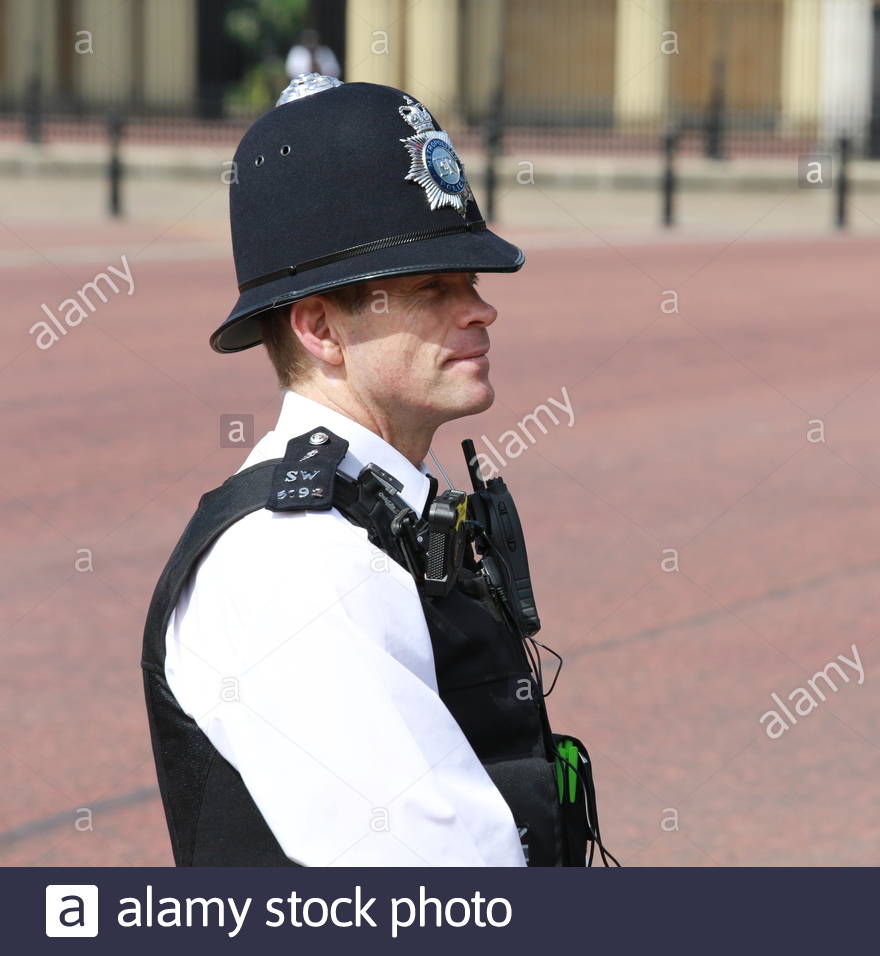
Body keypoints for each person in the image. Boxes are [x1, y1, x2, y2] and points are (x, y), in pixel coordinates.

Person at [141, 74, 609, 866]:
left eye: (472, 281)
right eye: (433, 286)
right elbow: (443, 876)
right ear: (321, 326)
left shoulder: (381, 509)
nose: (479, 308)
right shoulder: (295, 562)